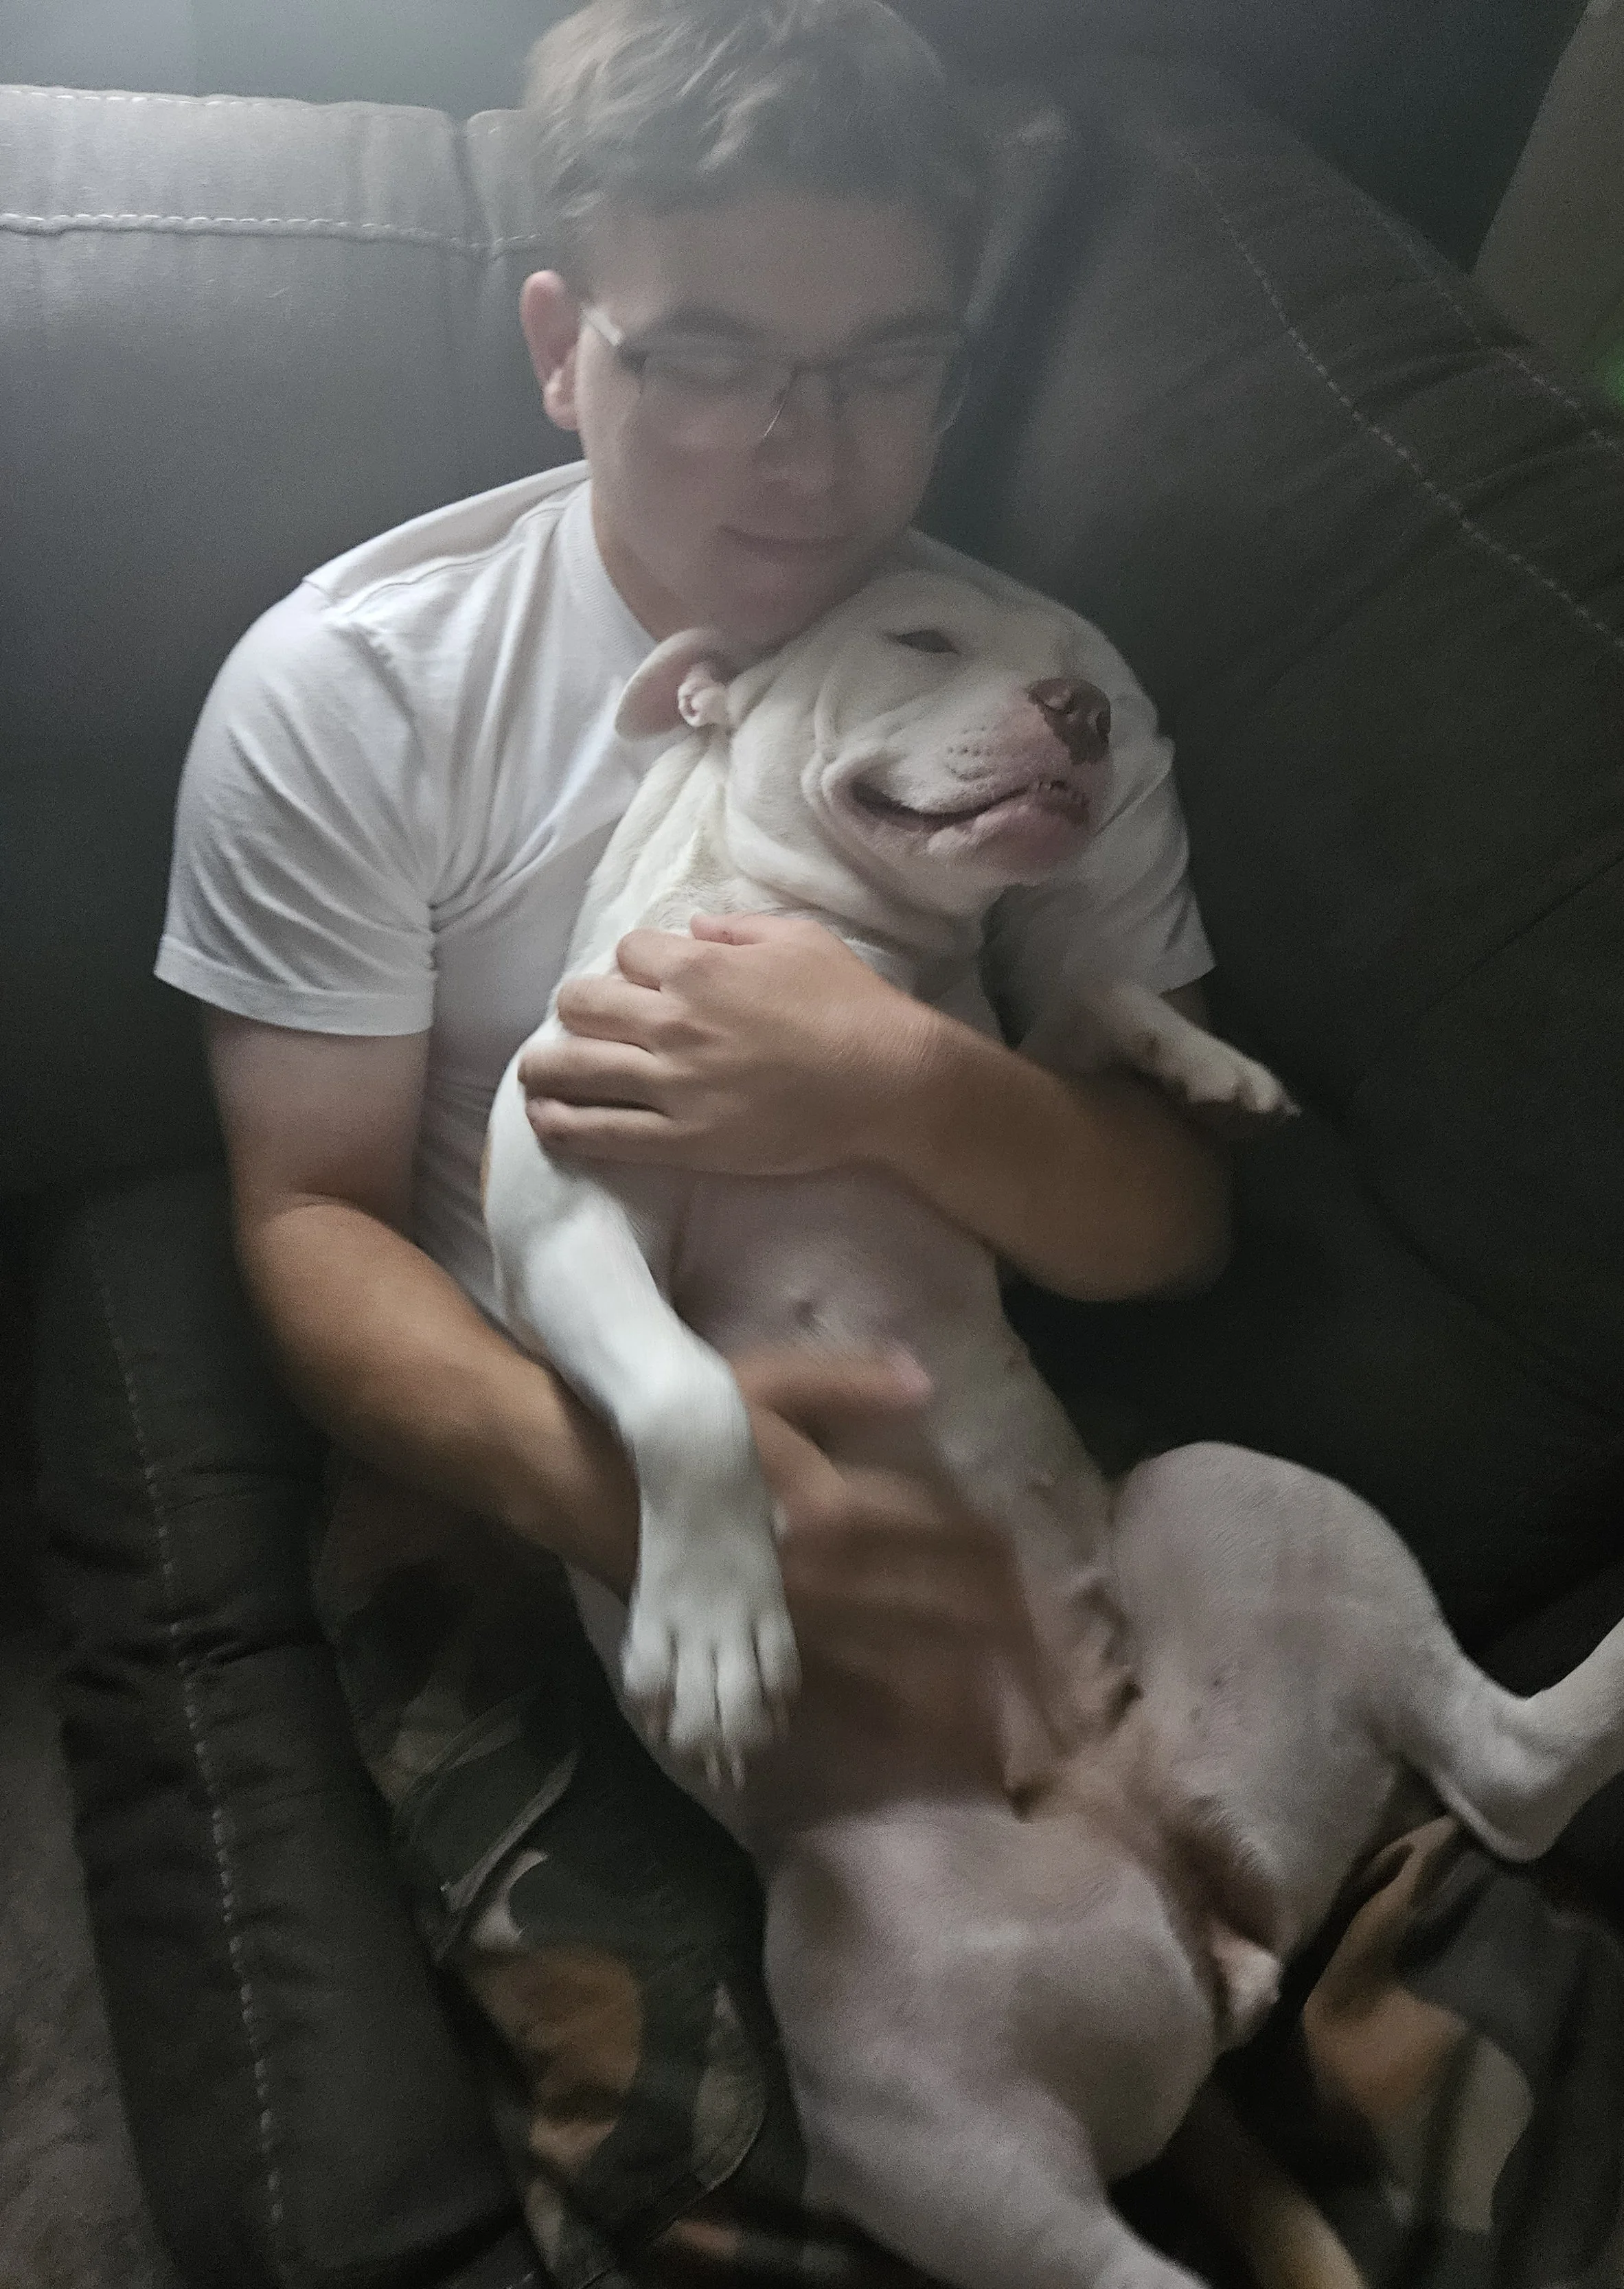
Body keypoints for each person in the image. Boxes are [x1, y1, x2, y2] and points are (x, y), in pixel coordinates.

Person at [153, 0, 1230, 2276]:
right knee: (723, 2164)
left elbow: (1164, 1222)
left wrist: (900, 1080)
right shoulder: (356, 687)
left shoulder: (1038, 681)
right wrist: (652, 1499)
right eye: (710, 354)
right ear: (562, 345)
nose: (803, 456)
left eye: (881, 362)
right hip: (529, 1459)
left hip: (997, 1463)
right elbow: (314, 1222)